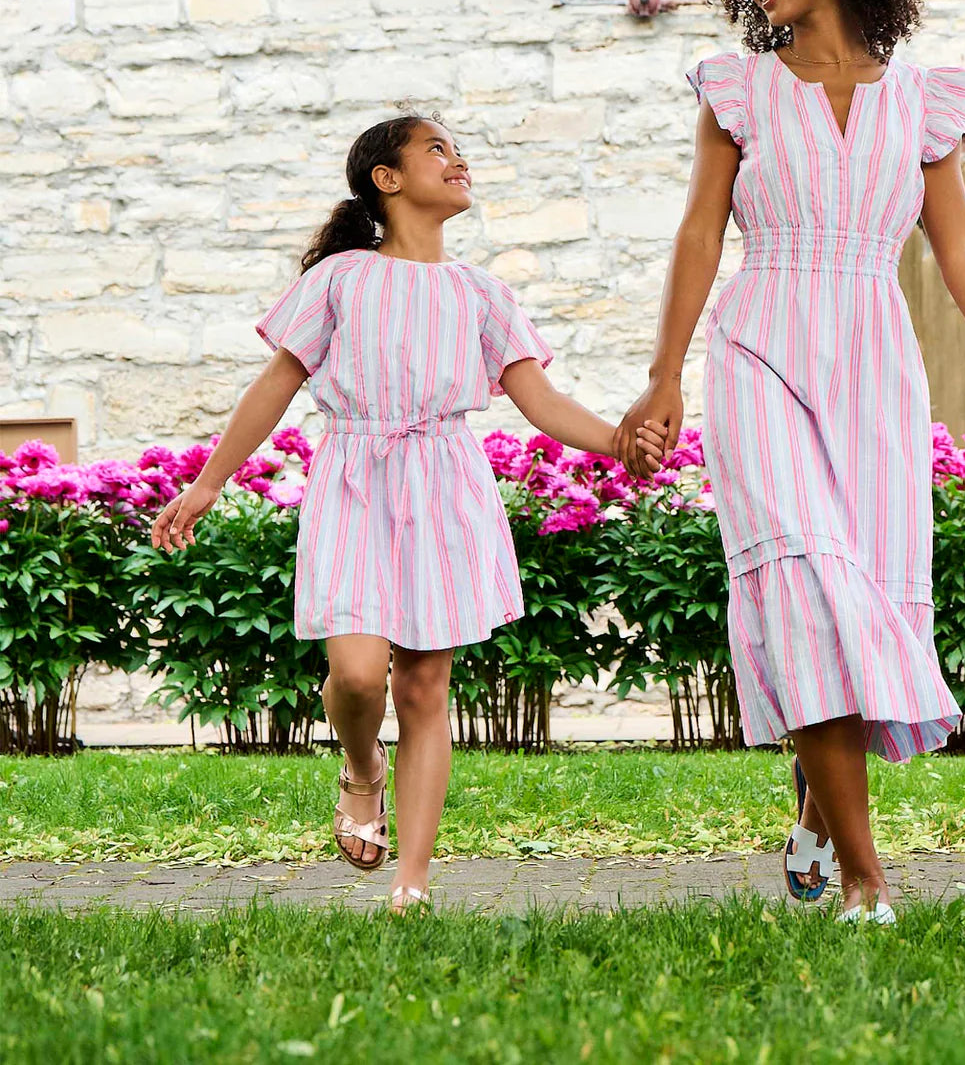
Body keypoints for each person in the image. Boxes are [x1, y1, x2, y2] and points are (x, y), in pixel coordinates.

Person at [616, 0, 965, 925]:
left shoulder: (920, 104)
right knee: (807, 578)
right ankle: (869, 884)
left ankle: (819, 824)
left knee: (867, 597)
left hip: (875, 356)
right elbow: (698, 236)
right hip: (760, 346)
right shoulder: (736, 94)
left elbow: (962, 260)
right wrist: (664, 375)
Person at [152, 114, 666, 914]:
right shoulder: (340, 279)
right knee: (357, 672)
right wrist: (211, 481)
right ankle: (362, 769)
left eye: (457, 150)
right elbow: (275, 385)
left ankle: (412, 882)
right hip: (355, 475)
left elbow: (541, 401)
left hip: (444, 485)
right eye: (437, 149)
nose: (457, 159)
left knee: (425, 688)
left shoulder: (483, 293)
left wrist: (619, 442)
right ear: (387, 180)